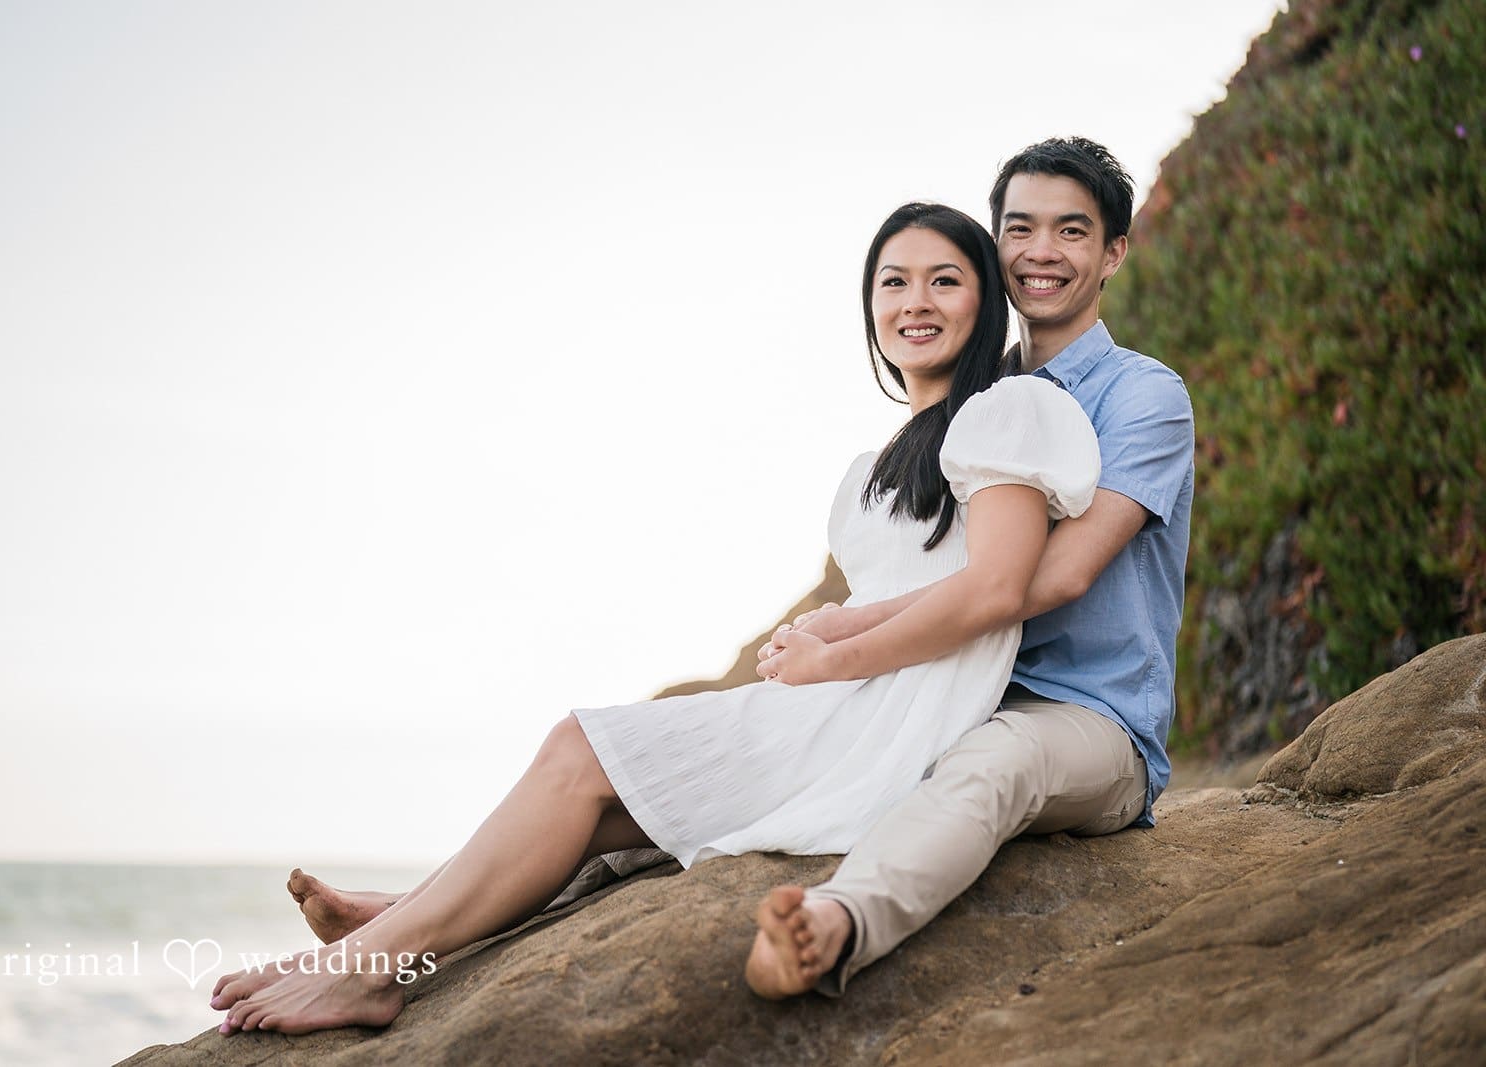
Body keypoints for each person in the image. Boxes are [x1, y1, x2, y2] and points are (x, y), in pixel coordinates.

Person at [207, 201, 1102, 1035]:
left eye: (944, 279)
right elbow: (887, 587)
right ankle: (405, 920)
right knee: (596, 806)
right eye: (892, 281)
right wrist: (823, 634)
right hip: (848, 696)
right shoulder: (873, 464)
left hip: (895, 715)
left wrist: (835, 658)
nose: (915, 301)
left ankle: (375, 963)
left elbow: (994, 589)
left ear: (987, 302)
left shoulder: (1005, 410)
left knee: (580, 747)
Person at [742, 136, 1196, 998]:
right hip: (951, 691)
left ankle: (836, 926)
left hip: (1087, 721)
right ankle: (446, 906)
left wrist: (847, 639)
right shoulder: (981, 405)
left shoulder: (1144, 397)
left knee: (996, 762)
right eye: (1020, 229)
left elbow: (1056, 577)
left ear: (1114, 252)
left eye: (1072, 230)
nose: (1042, 253)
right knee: (759, 747)